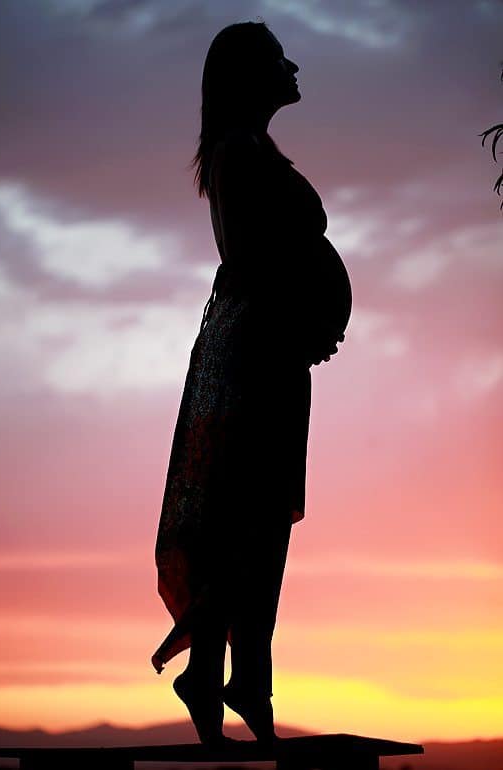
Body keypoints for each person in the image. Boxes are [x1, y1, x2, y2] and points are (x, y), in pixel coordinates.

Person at [152, 21, 352, 748]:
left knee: (257, 521)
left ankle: (227, 678)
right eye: (277, 60)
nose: (293, 67)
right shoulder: (240, 153)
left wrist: (313, 322)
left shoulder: (252, 151)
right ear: (248, 76)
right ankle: (229, 678)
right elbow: (260, 259)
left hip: (268, 353)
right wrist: (305, 317)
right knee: (245, 519)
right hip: (253, 357)